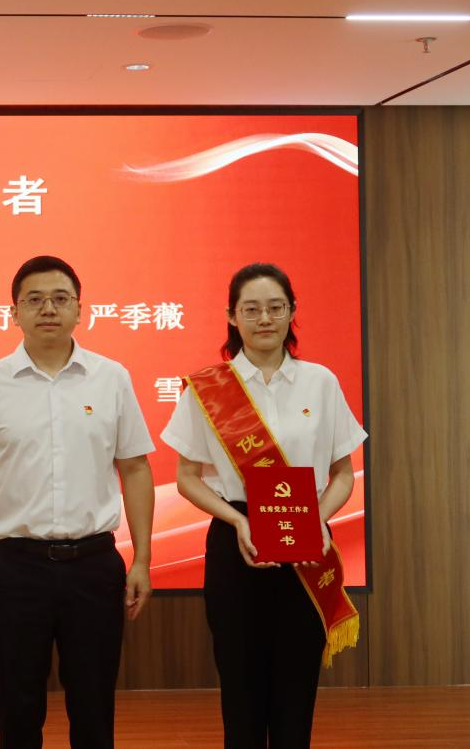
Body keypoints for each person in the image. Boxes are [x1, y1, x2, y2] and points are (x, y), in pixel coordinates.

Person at [0, 255, 156, 749]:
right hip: (16, 569)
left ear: (80, 310)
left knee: (94, 707)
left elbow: (135, 468)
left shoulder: (111, 378)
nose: (48, 309)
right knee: (18, 710)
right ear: (14, 312)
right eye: (35, 300)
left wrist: (143, 559)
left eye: (61, 299)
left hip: (94, 565)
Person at [161, 262, 366, 749]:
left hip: (308, 544)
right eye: (251, 309)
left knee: (296, 693)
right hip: (237, 541)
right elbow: (186, 478)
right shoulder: (207, 389)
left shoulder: (320, 382)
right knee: (241, 692)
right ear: (232, 316)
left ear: (292, 311)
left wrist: (316, 519)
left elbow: (342, 473)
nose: (264, 318)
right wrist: (237, 520)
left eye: (276, 307)